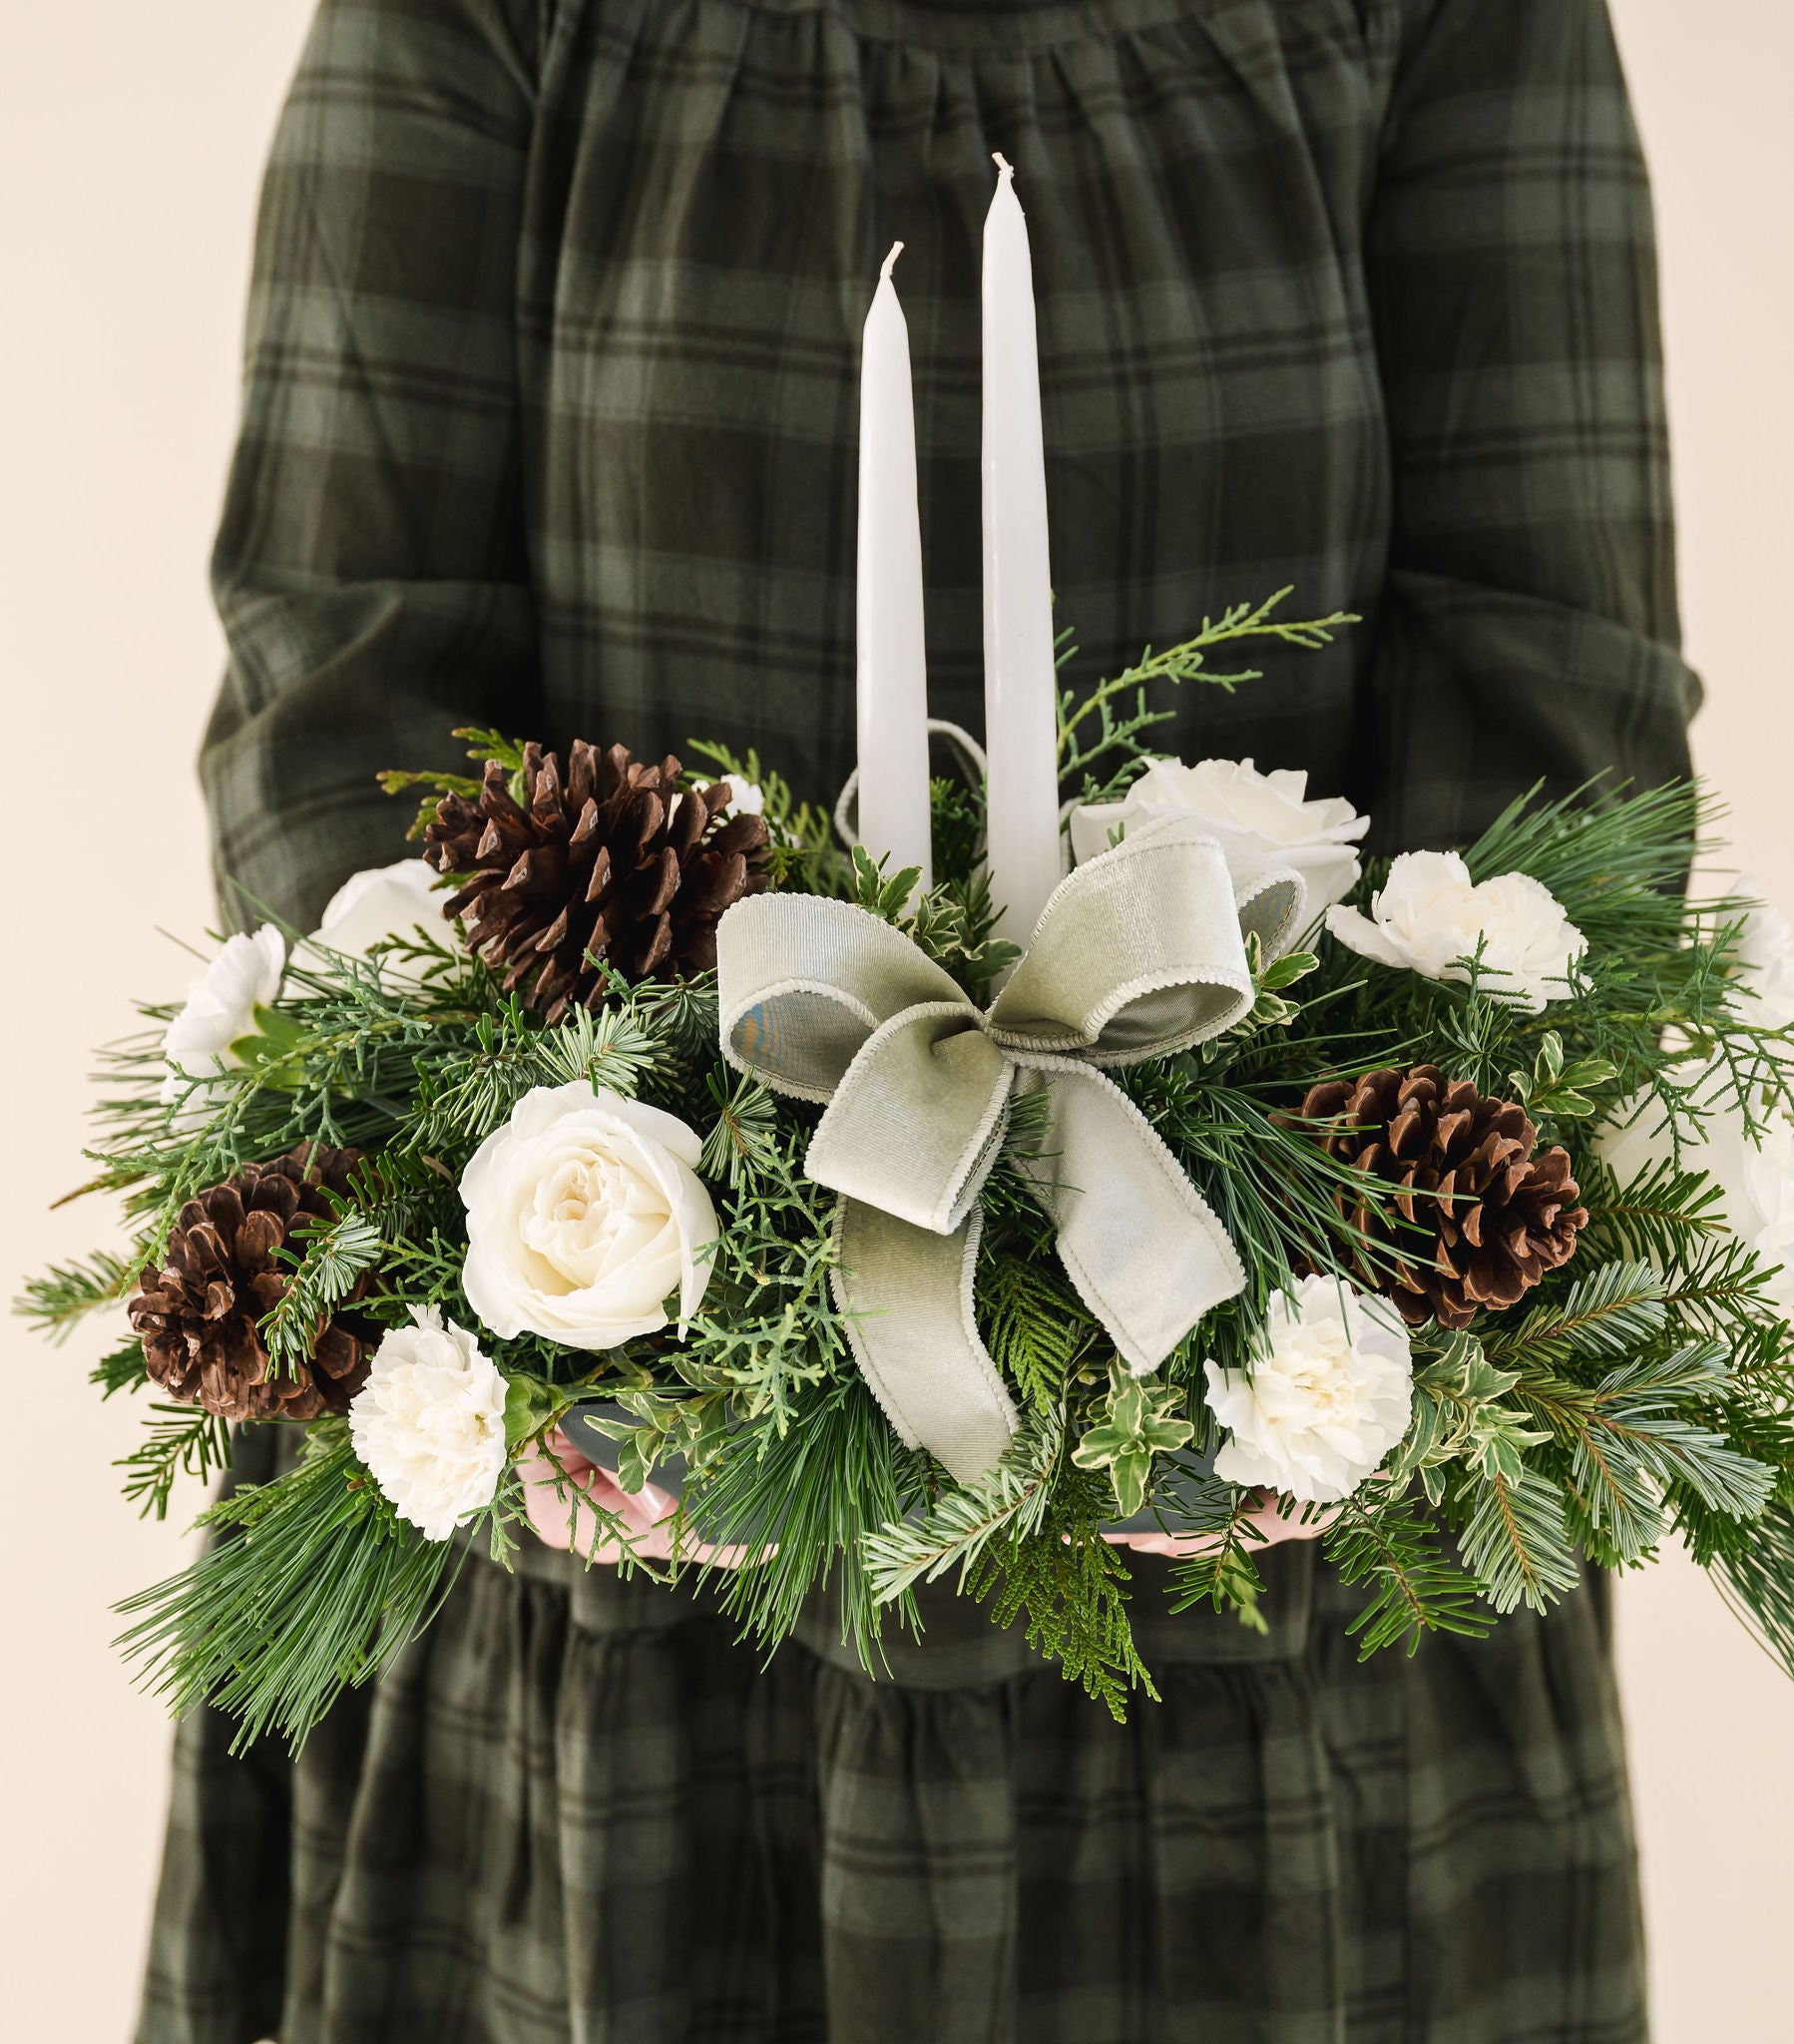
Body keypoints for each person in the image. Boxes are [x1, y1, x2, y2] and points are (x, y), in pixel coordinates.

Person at [145, 0, 1699, 2038]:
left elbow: (1553, 710)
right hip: (629, 1575)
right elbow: (342, 699)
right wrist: (617, 1292)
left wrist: (1301, 1321)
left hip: (1259, 1575)